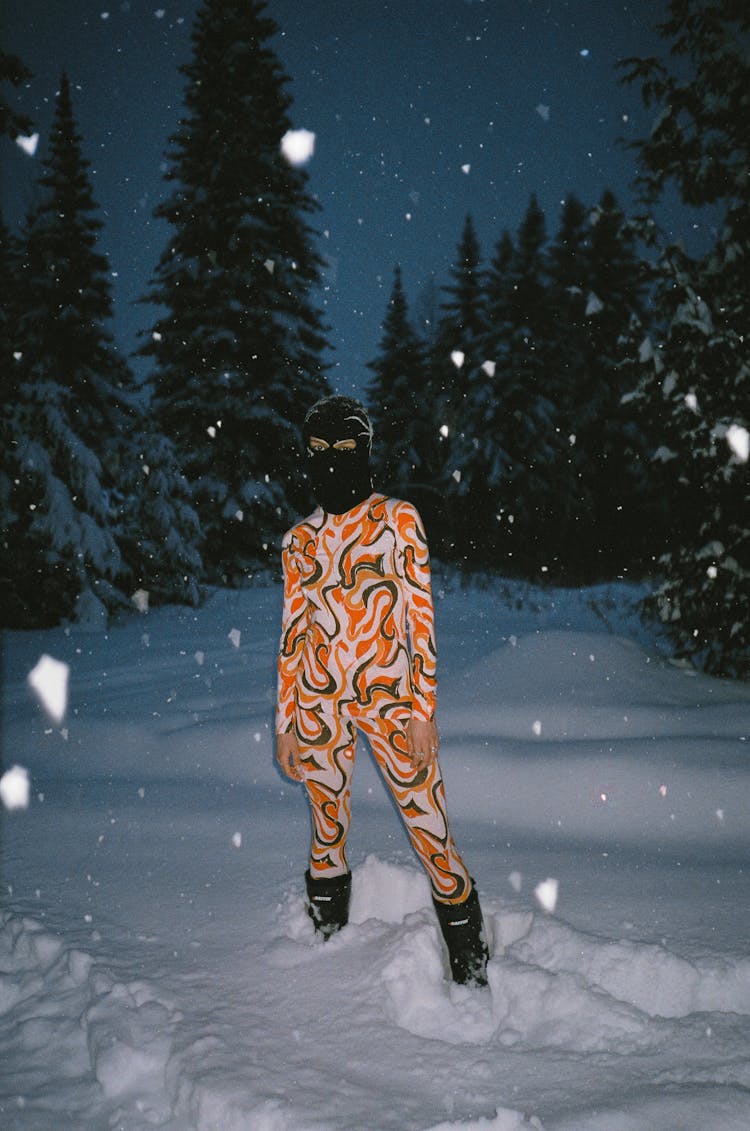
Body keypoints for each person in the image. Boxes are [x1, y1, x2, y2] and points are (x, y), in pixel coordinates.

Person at [275, 395, 489, 986]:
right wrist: (286, 723)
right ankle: (324, 957)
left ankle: (472, 974)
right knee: (326, 831)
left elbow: (419, 618)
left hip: (391, 700)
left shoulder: (396, 520)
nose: (330, 462)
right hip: (319, 705)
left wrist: (422, 709)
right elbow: (294, 637)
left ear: (365, 451)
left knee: (431, 829)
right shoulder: (299, 542)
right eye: (318, 452)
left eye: (344, 450)